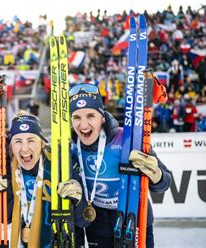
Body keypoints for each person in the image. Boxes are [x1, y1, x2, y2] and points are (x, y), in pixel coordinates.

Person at [57, 84, 172, 248]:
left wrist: (156, 174)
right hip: (96, 223)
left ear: (102, 117)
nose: (83, 125)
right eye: (76, 117)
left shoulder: (126, 138)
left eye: (90, 116)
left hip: (133, 218)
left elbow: (165, 183)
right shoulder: (70, 147)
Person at [0, 110, 52, 247]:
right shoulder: (8, 171)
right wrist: (0, 195)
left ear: (42, 144)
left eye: (31, 140)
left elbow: (82, 222)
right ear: (11, 147)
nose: (24, 149)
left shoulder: (55, 167)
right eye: (18, 141)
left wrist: (76, 202)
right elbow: (7, 218)